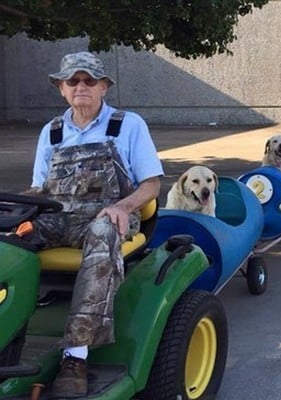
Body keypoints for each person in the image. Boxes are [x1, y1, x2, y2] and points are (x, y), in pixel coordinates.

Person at [25, 51, 164, 398]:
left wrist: (122, 206)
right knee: (10, 236)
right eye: (73, 81)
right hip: (59, 217)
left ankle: (76, 356)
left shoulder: (127, 125)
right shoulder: (52, 132)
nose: (81, 86)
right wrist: (18, 211)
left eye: (89, 80)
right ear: (61, 88)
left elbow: (151, 184)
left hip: (108, 215)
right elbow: (39, 188)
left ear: (104, 86)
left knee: (103, 232)